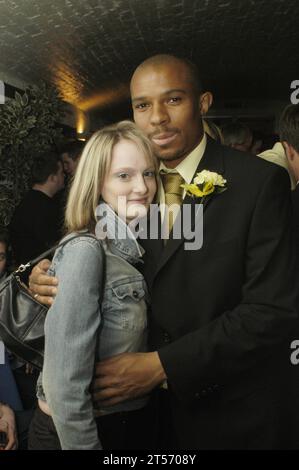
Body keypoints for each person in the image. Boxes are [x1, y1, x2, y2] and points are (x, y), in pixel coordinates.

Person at [29, 55, 298, 449]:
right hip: (140, 418)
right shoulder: (130, 183)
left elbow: (274, 310)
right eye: (142, 105)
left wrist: (162, 366)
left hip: (228, 412)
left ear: (203, 103)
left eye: (173, 100)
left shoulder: (259, 183)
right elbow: (91, 245)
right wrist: (45, 272)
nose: (157, 118)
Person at [28, 121, 157, 450]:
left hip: (122, 424)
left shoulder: (136, 246)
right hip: (79, 433)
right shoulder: (87, 250)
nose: (142, 187)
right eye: (124, 175)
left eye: (148, 173)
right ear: (97, 182)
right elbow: (64, 389)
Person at [9, 151, 65, 267]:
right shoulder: (44, 208)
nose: (64, 176)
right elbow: (57, 247)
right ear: (53, 178)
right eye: (61, 173)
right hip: (39, 278)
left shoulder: (28, 201)